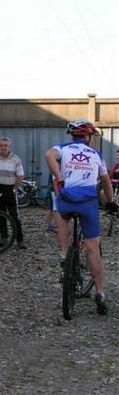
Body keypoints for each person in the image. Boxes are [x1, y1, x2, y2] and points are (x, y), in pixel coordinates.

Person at [45, 120, 118, 315]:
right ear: (88, 137)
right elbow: (106, 183)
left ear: (73, 136)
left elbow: (48, 155)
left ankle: (63, 252)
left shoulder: (62, 148)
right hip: (87, 202)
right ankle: (100, 293)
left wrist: (60, 178)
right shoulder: (96, 154)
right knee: (93, 247)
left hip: (67, 197)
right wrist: (111, 202)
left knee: (62, 213)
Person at [0, 137, 25, 249]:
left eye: (6, 145)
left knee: (14, 216)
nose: (3, 147)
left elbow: (20, 176)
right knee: (0, 215)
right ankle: (4, 238)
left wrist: (14, 189)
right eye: (1, 145)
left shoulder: (16, 159)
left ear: (10, 146)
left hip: (10, 189)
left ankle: (19, 240)